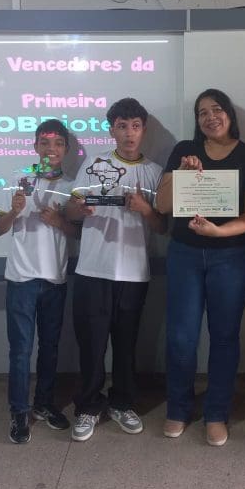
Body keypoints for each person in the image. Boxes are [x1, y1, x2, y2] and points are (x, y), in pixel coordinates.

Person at [156, 88, 245, 447]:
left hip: (233, 256)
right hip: (185, 254)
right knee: (181, 337)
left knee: (224, 337)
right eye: (202, 112)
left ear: (229, 114)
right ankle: (178, 407)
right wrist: (181, 175)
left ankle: (217, 412)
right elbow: (162, 205)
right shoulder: (183, 152)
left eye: (216, 109)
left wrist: (220, 231)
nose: (210, 117)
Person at [66, 97, 166, 442]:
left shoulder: (154, 172)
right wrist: (79, 210)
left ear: (143, 130)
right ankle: (87, 406)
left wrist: (143, 209)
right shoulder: (94, 163)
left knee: (126, 345)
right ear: (111, 130)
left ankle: (122, 402)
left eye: (135, 126)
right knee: (91, 345)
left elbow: (161, 226)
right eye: (122, 126)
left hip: (134, 272)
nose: (129, 133)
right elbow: (71, 210)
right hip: (93, 270)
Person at [0, 119, 79, 444]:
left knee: (50, 347)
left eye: (58, 143)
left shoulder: (72, 185)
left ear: (66, 150)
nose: (51, 149)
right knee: (20, 350)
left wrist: (59, 221)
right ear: (35, 147)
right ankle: (19, 411)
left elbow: (77, 233)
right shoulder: (18, 179)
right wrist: (14, 212)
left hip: (54, 278)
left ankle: (43, 404)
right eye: (45, 143)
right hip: (21, 279)